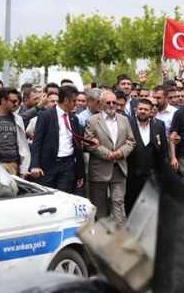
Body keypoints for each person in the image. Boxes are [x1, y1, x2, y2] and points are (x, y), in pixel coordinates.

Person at [84, 91, 135, 224]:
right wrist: (106, 153)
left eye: (114, 102)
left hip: (119, 168)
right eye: (108, 102)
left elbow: (131, 141)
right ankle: (103, 235)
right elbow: (88, 143)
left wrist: (121, 152)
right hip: (99, 169)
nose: (112, 105)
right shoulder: (92, 121)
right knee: (99, 206)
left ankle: (119, 235)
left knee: (118, 202)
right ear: (101, 104)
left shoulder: (124, 119)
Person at [30, 85, 85, 194]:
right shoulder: (45, 116)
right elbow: (37, 142)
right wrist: (35, 165)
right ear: (66, 100)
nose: (76, 104)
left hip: (67, 165)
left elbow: (77, 146)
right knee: (47, 196)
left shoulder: (73, 119)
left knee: (64, 197)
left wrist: (80, 173)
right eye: (74, 101)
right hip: (49, 164)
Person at [125, 99, 168, 215]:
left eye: (146, 109)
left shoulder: (158, 127)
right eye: (140, 109)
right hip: (132, 175)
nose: (143, 112)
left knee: (150, 208)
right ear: (135, 110)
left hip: (152, 176)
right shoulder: (128, 125)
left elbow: (163, 151)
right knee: (131, 207)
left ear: (151, 112)